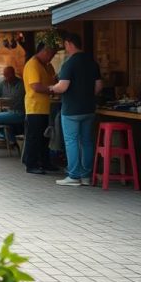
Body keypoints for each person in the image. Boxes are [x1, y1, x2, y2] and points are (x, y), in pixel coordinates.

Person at [48, 32, 103, 186]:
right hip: (89, 109)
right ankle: (86, 176)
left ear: (69, 43)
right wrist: (86, 95)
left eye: (65, 45)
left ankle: (73, 176)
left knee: (71, 141)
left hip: (71, 110)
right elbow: (98, 86)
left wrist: (52, 87)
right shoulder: (92, 62)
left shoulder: (69, 63)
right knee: (86, 141)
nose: (65, 48)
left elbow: (63, 86)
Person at [21, 41, 57, 175]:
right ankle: (31, 164)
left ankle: (44, 162)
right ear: (45, 51)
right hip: (35, 107)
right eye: (51, 54)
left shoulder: (48, 66)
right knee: (34, 137)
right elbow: (35, 86)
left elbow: (54, 80)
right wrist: (53, 90)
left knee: (45, 137)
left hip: (47, 106)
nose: (52, 57)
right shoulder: (32, 64)